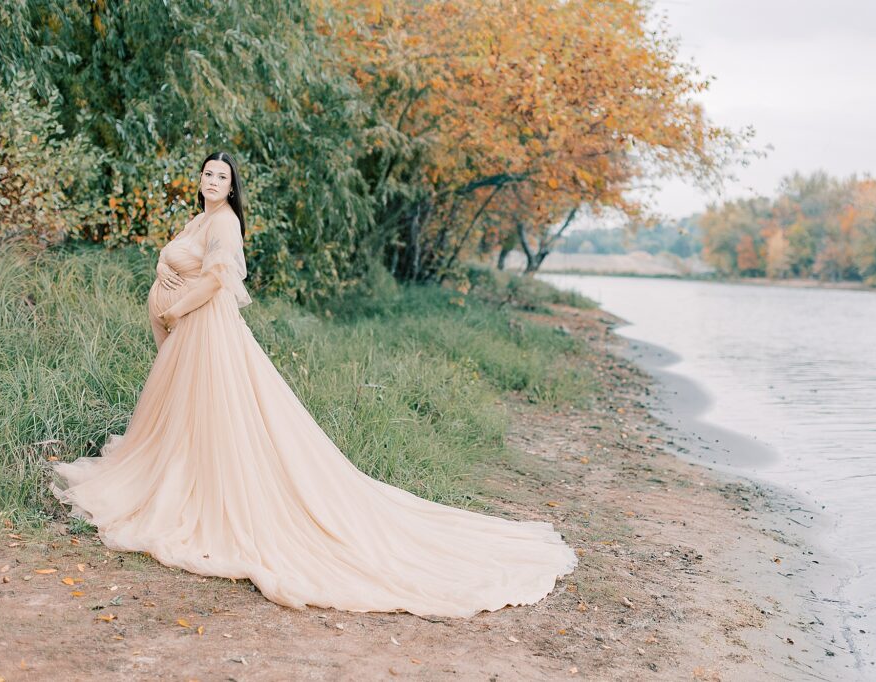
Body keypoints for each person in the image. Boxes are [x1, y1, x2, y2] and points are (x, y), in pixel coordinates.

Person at [49, 151, 578, 618]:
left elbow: (215, 280)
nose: (212, 180)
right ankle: (183, 477)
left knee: (219, 413)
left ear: (233, 187)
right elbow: (180, 272)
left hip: (205, 329)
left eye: (221, 176)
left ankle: (213, 495)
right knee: (190, 417)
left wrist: (179, 310)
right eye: (207, 173)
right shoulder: (198, 219)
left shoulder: (225, 225)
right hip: (186, 333)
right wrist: (164, 313)